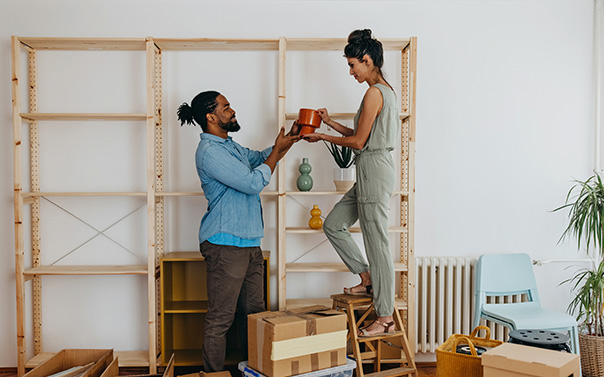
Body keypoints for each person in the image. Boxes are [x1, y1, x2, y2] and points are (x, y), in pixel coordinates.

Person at [177, 91, 300, 371]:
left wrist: (286, 142)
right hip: (225, 243)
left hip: (249, 243)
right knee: (221, 318)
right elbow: (252, 182)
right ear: (211, 117)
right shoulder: (209, 152)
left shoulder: (229, 146)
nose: (232, 111)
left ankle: (253, 371)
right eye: (226, 107)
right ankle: (213, 375)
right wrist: (275, 155)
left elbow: (259, 158)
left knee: (254, 316)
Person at [303, 29, 399, 337]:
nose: (350, 71)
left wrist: (320, 136)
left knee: (378, 245)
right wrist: (329, 122)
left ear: (367, 60)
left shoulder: (374, 93)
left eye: (352, 65)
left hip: (373, 169)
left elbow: (358, 142)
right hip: (371, 170)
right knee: (333, 224)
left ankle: (385, 317)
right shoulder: (383, 90)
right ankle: (367, 277)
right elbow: (360, 135)